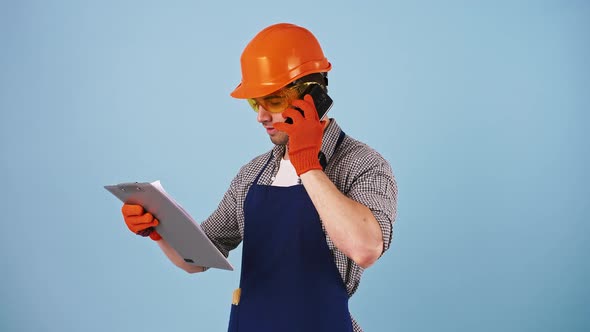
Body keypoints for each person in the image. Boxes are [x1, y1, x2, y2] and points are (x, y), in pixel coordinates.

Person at [121, 23, 397, 332]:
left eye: (273, 101)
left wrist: (308, 165)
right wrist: (161, 230)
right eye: (255, 103)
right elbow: (196, 259)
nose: (261, 116)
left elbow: (365, 249)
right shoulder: (253, 174)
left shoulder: (363, 164)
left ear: (313, 95)